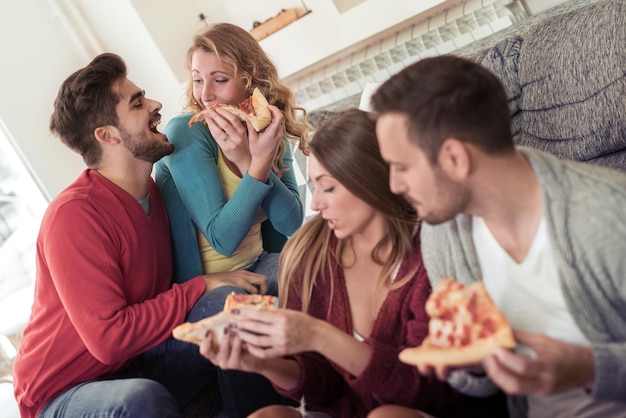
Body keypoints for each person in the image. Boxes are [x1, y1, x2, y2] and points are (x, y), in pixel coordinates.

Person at [198, 108, 508, 418]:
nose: (316, 204)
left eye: (328, 187)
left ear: (373, 179)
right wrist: (259, 364)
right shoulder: (309, 255)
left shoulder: (433, 253)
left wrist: (319, 335)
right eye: (315, 186)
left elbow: (425, 390)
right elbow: (321, 390)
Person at [370, 54, 626, 417]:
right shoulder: (443, 233)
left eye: (401, 167)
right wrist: (471, 361)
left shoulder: (606, 216)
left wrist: (589, 368)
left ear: (455, 158)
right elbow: (483, 384)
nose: (395, 185)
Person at [11, 52, 265, 418]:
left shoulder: (156, 193)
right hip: (63, 392)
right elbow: (110, 341)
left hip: (140, 361)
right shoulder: (74, 215)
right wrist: (201, 285)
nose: (156, 104)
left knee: (234, 311)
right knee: (139, 400)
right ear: (107, 135)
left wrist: (247, 159)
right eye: (138, 103)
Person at [154, 22, 311, 298]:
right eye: (198, 79)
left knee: (318, 274)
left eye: (220, 80)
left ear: (251, 79)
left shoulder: (266, 126)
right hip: (205, 287)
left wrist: (247, 157)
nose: (205, 95)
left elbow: (291, 224)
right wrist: (254, 164)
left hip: (261, 262)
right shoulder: (186, 133)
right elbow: (222, 240)